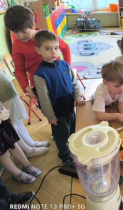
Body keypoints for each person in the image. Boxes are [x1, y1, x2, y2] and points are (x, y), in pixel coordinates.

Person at [33, 30, 85, 163]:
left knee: (73, 131)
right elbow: (44, 98)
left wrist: (78, 96)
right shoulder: (40, 74)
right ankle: (65, 156)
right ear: (38, 50)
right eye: (48, 49)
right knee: (61, 136)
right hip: (57, 112)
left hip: (70, 107)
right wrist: (50, 116)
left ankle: (74, 148)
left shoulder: (65, 65)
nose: (53, 52)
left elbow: (74, 83)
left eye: (56, 48)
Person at [4, 5, 71, 99]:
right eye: (16, 33)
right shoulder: (17, 46)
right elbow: (19, 69)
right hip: (39, 83)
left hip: (58, 77)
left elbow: (65, 48)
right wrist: (26, 86)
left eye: (24, 32)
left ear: (33, 25)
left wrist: (67, 68)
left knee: (66, 102)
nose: (20, 36)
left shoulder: (47, 35)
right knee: (49, 110)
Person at [0, 68, 49, 158]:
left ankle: (31, 143)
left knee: (18, 122)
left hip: (8, 93)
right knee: (12, 126)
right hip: (3, 99)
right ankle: (28, 150)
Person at [0, 103, 41, 184]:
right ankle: (16, 173)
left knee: (13, 144)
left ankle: (26, 164)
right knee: (2, 153)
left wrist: (4, 111)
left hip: (2, 119)